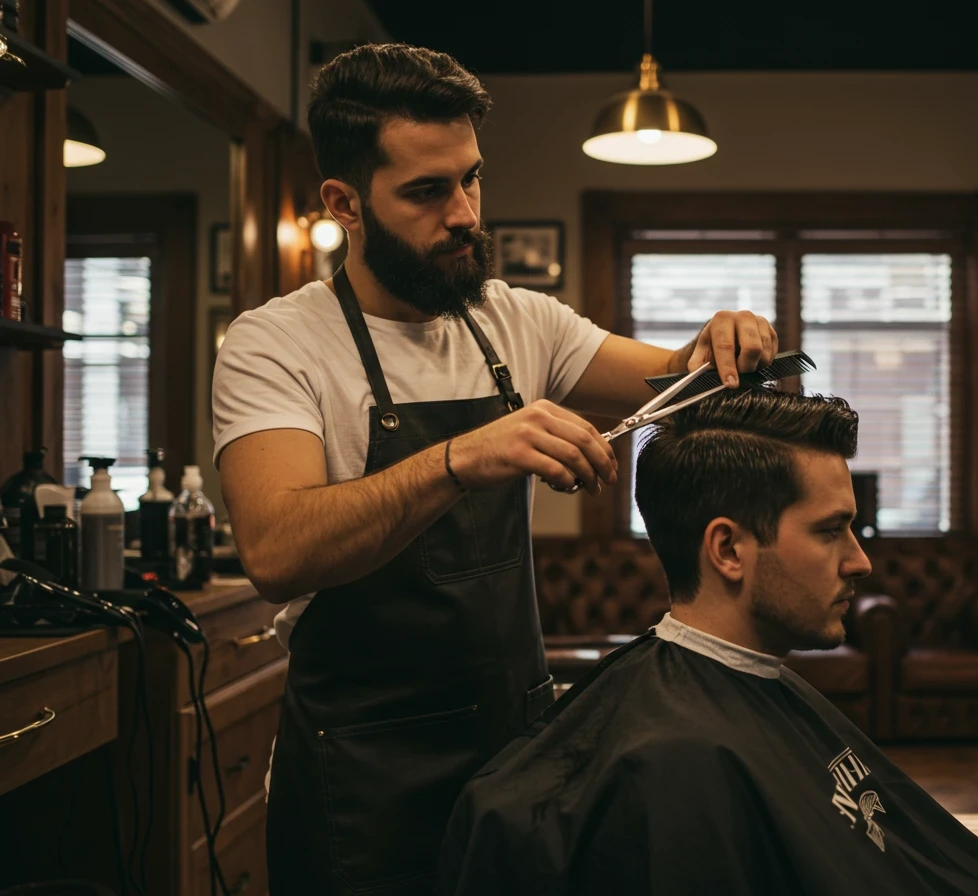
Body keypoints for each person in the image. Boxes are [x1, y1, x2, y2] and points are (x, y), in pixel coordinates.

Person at [211, 43, 779, 896]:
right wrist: (459, 459)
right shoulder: (276, 344)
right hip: (360, 777)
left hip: (513, 753)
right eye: (427, 192)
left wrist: (722, 341)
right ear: (344, 203)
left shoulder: (512, 319)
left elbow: (679, 378)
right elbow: (277, 548)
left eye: (471, 180)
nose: (465, 215)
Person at [436, 389, 978, 896]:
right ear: (728, 549)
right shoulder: (675, 765)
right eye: (831, 531)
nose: (860, 562)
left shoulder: (748, 692)